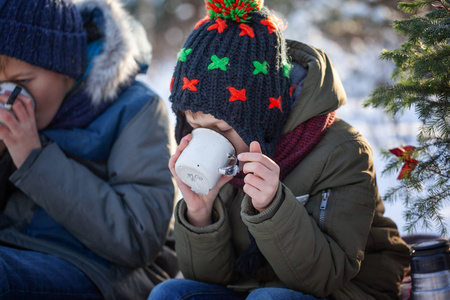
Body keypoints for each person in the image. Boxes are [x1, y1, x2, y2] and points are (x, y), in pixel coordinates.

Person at [148, 0, 411, 299]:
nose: (207, 140)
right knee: (170, 293)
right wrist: (200, 215)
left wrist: (273, 207)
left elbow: (326, 277)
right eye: (195, 127)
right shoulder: (227, 160)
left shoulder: (341, 151)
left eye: (221, 130)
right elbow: (211, 279)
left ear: (259, 116)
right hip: (255, 291)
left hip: (345, 291)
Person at [0, 0, 175, 299]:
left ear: (66, 66)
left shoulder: (137, 110)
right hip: (15, 247)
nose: (8, 95)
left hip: (99, 272)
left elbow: (138, 238)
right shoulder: (23, 110)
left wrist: (34, 158)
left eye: (22, 81)